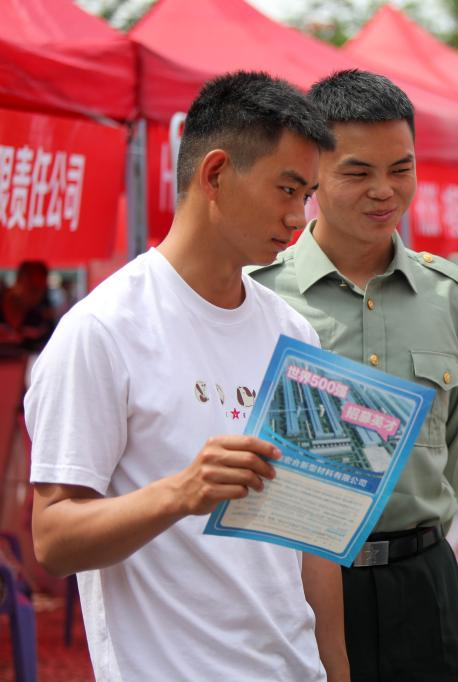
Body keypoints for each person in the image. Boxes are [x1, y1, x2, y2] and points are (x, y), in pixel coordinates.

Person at [25, 72, 345, 681]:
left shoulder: (294, 335)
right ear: (216, 173)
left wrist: (336, 669)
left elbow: (313, 541)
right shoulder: (102, 330)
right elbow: (54, 538)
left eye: (306, 195)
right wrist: (181, 492)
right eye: (287, 189)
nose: (297, 217)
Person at [250, 69, 458, 681]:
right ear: (312, 174)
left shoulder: (452, 298)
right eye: (357, 172)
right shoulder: (259, 298)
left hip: (422, 582)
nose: (384, 191)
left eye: (400, 168)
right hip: (296, 584)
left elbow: (455, 448)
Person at [0, 260, 55, 354]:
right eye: (32, 288)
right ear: (18, 281)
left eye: (42, 290)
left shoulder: (40, 318)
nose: (37, 295)